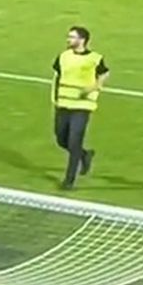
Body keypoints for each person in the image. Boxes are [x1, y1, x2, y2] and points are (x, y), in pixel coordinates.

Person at [52, 26, 110, 190]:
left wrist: (94, 87)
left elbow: (105, 73)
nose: (68, 39)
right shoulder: (63, 56)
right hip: (63, 104)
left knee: (74, 141)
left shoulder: (94, 59)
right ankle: (84, 155)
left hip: (82, 107)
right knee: (61, 139)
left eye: (72, 37)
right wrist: (55, 99)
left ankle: (69, 181)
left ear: (82, 40)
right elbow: (57, 77)